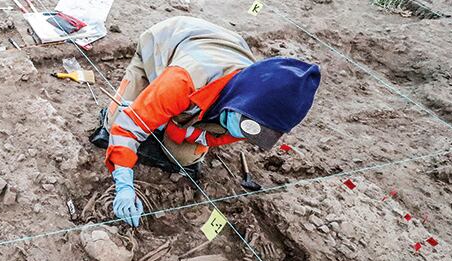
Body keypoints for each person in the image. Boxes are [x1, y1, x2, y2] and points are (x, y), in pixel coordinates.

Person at [95, 16, 320, 227]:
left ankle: (165, 118)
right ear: (240, 102)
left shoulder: (254, 113)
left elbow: (214, 137)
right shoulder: (182, 80)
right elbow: (128, 128)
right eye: (246, 126)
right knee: (116, 123)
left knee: (183, 155)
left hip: (214, 65)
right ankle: (146, 107)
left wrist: (177, 130)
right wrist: (124, 185)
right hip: (162, 48)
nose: (245, 135)